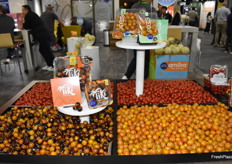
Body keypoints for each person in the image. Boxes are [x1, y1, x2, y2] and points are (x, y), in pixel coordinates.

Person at [122, 0, 156, 80]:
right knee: (146, 57)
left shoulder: (134, 6)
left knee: (137, 56)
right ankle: (143, 78)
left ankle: (127, 75)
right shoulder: (151, 8)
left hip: (135, 35)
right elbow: (154, 22)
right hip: (147, 36)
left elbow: (131, 19)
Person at [22, 5, 54, 71]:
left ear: (26, 10)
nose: (22, 12)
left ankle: (53, 65)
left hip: (42, 34)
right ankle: (49, 65)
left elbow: (26, 27)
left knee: (46, 50)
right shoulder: (32, 14)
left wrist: (23, 19)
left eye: (23, 10)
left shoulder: (28, 15)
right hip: (42, 34)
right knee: (43, 50)